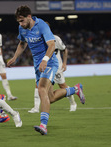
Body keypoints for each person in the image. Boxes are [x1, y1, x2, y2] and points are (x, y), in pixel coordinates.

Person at [8, 5, 85, 135]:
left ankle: (43, 125)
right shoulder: (22, 28)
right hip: (38, 65)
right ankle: (76, 89)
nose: (20, 24)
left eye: (22, 20)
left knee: (41, 90)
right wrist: (15, 57)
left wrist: (44, 59)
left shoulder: (42, 25)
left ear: (29, 17)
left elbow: (51, 44)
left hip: (49, 62)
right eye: (18, 22)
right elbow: (22, 43)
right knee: (50, 97)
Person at [28, 34, 77, 113]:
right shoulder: (37, 40)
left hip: (55, 67)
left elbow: (64, 49)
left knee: (62, 85)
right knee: (38, 85)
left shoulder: (55, 38)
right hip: (44, 66)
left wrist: (64, 63)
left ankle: (73, 103)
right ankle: (36, 107)